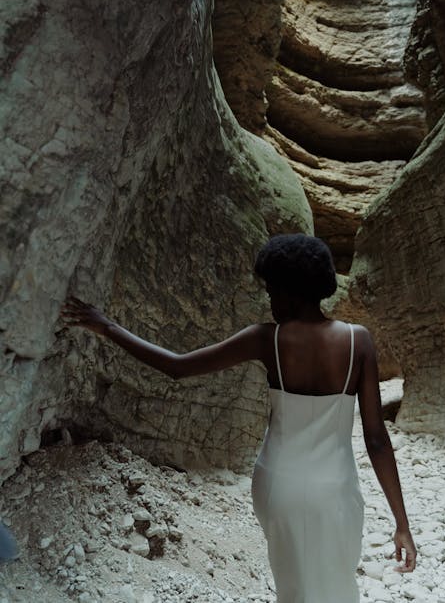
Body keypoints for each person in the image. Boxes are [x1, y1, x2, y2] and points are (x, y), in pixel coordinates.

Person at [61, 233, 416, 602]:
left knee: (293, 587)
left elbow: (177, 367)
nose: (269, 299)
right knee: (337, 584)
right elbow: (376, 439)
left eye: (272, 290)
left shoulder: (267, 339)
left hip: (279, 484)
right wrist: (401, 524)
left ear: (291, 290)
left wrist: (107, 327)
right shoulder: (359, 341)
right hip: (336, 489)